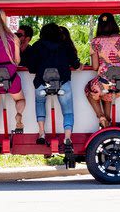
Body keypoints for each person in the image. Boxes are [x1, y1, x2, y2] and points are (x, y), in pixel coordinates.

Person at [27, 23, 81, 152]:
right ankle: (67, 138)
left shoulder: (37, 46)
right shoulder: (65, 45)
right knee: (67, 111)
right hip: (62, 83)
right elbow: (76, 64)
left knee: (40, 102)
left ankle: (41, 133)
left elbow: (31, 69)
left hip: (42, 84)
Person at [0, 8, 26, 160]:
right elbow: (18, 60)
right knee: (20, 100)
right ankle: (19, 115)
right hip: (12, 77)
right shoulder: (13, 37)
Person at [84, 13, 120, 128]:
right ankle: (108, 121)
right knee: (108, 92)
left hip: (105, 82)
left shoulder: (95, 41)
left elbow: (95, 67)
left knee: (90, 88)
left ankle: (101, 117)